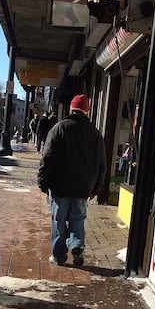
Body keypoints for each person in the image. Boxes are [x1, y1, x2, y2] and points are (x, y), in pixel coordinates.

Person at [38, 94, 105, 266]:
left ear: (71, 108)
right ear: (87, 111)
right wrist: (95, 188)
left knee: (58, 221)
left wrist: (43, 182)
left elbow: (48, 157)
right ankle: (76, 245)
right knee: (77, 219)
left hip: (60, 186)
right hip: (83, 188)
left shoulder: (59, 128)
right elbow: (102, 165)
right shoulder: (96, 134)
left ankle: (59, 256)